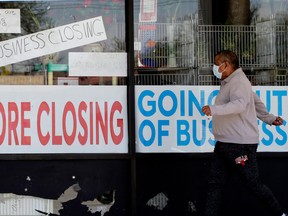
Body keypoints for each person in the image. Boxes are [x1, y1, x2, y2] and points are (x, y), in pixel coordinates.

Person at [201, 50, 286, 216]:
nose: (215, 67)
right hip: (224, 145)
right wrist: (269, 118)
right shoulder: (231, 82)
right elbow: (253, 100)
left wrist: (214, 109)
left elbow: (240, 104)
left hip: (240, 146)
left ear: (226, 65)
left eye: (217, 64)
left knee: (253, 183)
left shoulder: (239, 81)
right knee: (215, 184)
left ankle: (280, 213)